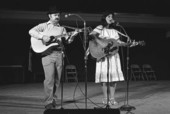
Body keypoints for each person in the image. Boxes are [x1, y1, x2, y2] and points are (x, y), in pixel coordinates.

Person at [28, 6, 78, 109]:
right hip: (48, 54)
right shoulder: (44, 26)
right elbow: (31, 31)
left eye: (58, 15)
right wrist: (43, 37)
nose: (57, 17)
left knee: (57, 80)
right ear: (50, 16)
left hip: (59, 54)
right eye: (55, 15)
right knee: (49, 79)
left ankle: (53, 99)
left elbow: (67, 41)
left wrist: (73, 35)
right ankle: (48, 102)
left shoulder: (62, 28)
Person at [89, 12, 125, 106]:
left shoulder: (115, 31)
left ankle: (112, 98)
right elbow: (92, 35)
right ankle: (105, 98)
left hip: (113, 55)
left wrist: (128, 43)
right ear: (104, 17)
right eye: (109, 16)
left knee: (113, 78)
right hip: (103, 55)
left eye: (112, 17)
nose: (111, 18)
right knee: (104, 78)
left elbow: (118, 42)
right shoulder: (100, 27)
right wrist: (101, 43)